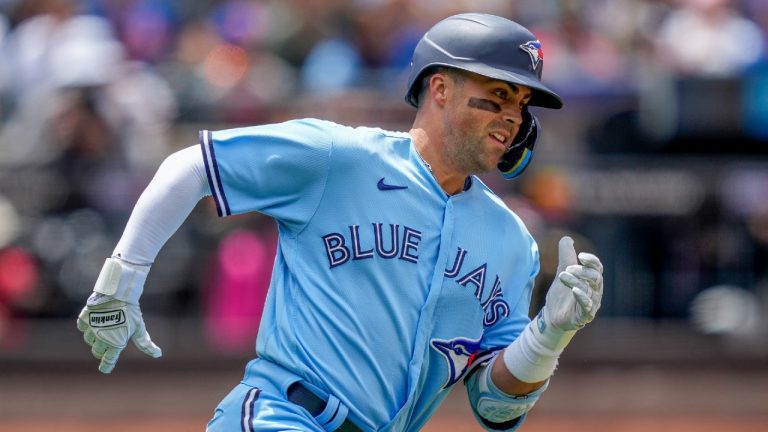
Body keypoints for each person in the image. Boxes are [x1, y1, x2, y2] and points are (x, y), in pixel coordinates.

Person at [76, 13, 604, 432]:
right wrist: (122, 279)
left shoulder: (511, 241)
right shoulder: (339, 156)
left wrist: (550, 335)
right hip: (282, 417)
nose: (514, 115)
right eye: (500, 93)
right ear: (440, 89)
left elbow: (494, 407)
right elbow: (192, 166)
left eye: (523, 102)